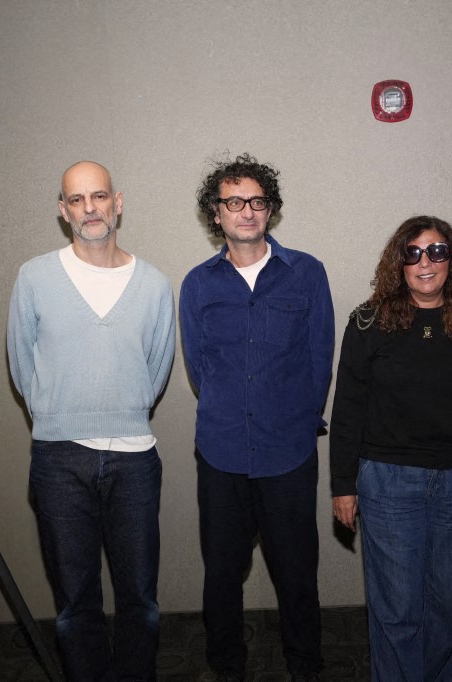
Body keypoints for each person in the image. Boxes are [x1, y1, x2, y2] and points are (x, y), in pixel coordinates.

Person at [7, 161, 175, 681]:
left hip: (133, 460)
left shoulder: (152, 284)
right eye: (76, 200)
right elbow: (21, 365)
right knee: (75, 605)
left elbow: (158, 367)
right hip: (59, 460)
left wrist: (120, 407)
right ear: (63, 211)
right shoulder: (34, 277)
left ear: (117, 201)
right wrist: (62, 416)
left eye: (98, 196)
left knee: (140, 602)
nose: (90, 209)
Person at [329, 216, 452, 682]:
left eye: (437, 252)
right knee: (398, 611)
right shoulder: (369, 322)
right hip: (388, 481)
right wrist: (343, 486)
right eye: (413, 253)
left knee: (448, 608)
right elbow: (346, 408)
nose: (425, 262)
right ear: (399, 264)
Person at [180, 154, 334, 681]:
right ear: (215, 213)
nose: (246, 211)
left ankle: (305, 667)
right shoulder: (198, 284)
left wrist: (293, 421)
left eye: (256, 201)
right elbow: (201, 368)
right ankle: (227, 669)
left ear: (269, 209)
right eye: (233, 202)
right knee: (222, 576)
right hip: (221, 454)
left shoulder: (307, 274)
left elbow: (319, 362)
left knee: (297, 576)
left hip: (287, 455)